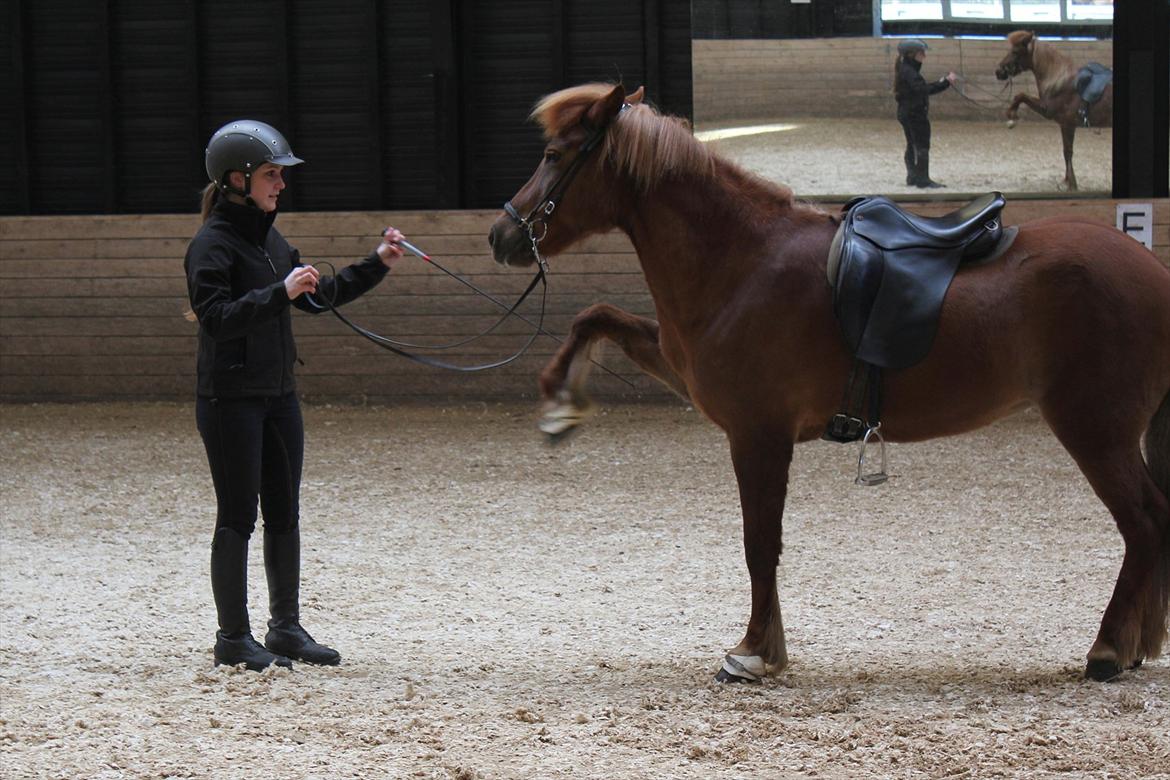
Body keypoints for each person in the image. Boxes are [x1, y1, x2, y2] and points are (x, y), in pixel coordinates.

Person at [184, 119, 406, 671]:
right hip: (229, 399)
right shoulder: (211, 245)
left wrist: (375, 264)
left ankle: (284, 628)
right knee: (238, 516)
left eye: (280, 175)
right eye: (271, 174)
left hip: (278, 395)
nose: (280, 184)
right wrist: (277, 291)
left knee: (285, 512)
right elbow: (215, 319)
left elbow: (313, 296)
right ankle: (232, 637)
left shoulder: (271, 239)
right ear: (237, 179)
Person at [894, 39, 956, 188]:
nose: (924, 56)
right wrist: (945, 82)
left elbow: (920, 87)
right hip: (914, 113)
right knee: (921, 145)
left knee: (912, 144)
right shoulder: (909, 71)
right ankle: (922, 179)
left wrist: (943, 81)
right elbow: (922, 89)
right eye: (921, 53)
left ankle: (913, 176)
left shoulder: (906, 69)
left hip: (907, 112)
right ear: (912, 54)